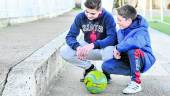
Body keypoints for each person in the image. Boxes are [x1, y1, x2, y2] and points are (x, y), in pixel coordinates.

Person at [102, 4, 156, 94]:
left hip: (143, 59)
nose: (117, 22)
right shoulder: (121, 31)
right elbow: (112, 42)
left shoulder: (142, 30)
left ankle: (136, 83)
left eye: (119, 20)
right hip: (128, 60)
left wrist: (118, 48)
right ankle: (105, 78)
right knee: (105, 66)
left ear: (129, 20)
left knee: (133, 50)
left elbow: (135, 43)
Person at [60, 0, 117, 82]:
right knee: (64, 51)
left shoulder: (108, 17)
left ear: (100, 10)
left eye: (93, 13)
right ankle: (90, 68)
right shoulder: (80, 17)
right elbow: (70, 36)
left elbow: (112, 38)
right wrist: (78, 47)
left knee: (109, 50)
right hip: (87, 46)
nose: (89, 16)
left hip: (103, 48)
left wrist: (93, 45)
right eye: (87, 12)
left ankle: (106, 72)